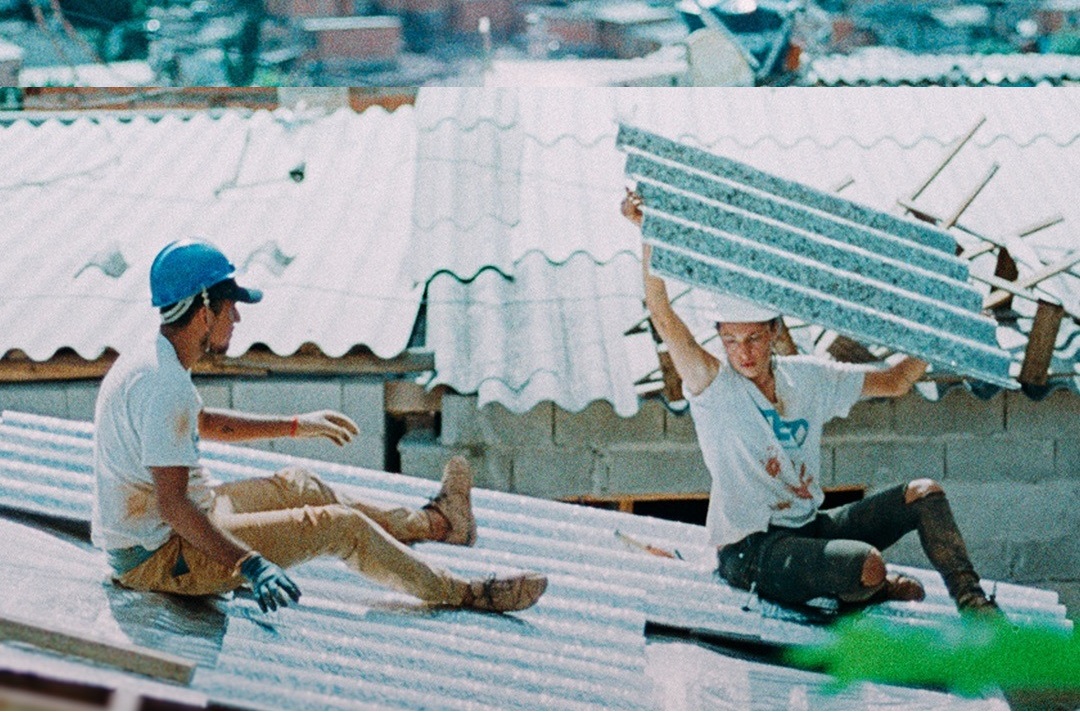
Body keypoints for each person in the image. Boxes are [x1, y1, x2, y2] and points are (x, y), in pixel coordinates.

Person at [91, 239, 547, 614]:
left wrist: (295, 425)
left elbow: (201, 423)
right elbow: (173, 507)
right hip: (162, 557)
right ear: (204, 309)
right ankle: (465, 593)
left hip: (180, 527)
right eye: (231, 307)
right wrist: (250, 565)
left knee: (301, 484)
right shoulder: (163, 383)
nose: (238, 318)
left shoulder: (154, 361)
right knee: (338, 526)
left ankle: (437, 524)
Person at [621, 190, 1000, 615]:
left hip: (809, 526)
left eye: (753, 339)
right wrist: (648, 232)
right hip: (751, 551)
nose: (742, 352)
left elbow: (895, 382)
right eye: (730, 341)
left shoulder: (807, 378)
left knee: (924, 494)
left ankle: (975, 605)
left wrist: (945, 335)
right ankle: (866, 587)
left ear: (772, 333)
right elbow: (662, 314)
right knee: (868, 565)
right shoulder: (715, 387)